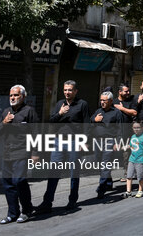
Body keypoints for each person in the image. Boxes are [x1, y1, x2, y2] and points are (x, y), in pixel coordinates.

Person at [36, 80, 90, 214]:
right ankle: (47, 202)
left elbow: (87, 125)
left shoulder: (82, 104)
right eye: (65, 90)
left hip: (74, 142)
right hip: (58, 142)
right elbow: (52, 121)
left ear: (75, 91)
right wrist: (60, 113)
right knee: (54, 172)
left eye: (70, 90)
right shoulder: (60, 104)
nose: (67, 92)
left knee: (74, 173)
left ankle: (72, 200)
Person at [0, 85, 39, 224]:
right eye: (11, 95)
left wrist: (35, 153)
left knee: (19, 181)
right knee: (8, 184)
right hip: (7, 153)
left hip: (22, 152)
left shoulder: (29, 112)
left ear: (23, 96)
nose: (13, 98)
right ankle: (12, 213)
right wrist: (4, 122)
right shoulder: (6, 112)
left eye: (16, 95)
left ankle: (26, 210)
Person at [91, 91, 123, 199]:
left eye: (104, 100)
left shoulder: (116, 113)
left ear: (110, 101)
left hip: (109, 141)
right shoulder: (98, 111)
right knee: (99, 162)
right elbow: (90, 121)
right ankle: (108, 183)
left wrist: (117, 142)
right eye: (101, 100)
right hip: (98, 141)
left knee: (106, 163)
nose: (102, 102)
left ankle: (102, 187)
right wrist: (95, 120)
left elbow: (120, 129)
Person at [113, 83, 138, 179]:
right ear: (120, 92)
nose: (128, 92)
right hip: (115, 132)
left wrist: (122, 108)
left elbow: (134, 112)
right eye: (126, 91)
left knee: (126, 153)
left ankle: (128, 173)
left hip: (127, 132)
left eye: (128, 91)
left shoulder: (130, 102)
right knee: (115, 154)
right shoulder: (113, 101)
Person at [122, 122, 143, 198]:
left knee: (140, 176)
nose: (136, 129)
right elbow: (131, 145)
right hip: (132, 159)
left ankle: (140, 191)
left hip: (140, 159)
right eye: (134, 128)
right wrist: (125, 147)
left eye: (138, 127)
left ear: (142, 128)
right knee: (129, 175)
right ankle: (128, 191)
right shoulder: (133, 136)